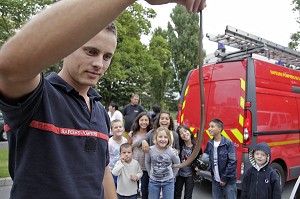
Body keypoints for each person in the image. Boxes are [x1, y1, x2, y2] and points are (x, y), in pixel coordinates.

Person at [0, 1, 206, 198]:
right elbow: (9, 68)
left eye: (107, 56)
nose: (99, 63)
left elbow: (102, 171)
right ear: (66, 47)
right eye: (91, 51)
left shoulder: (99, 111)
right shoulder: (37, 97)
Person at [202, 118, 237, 199]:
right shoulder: (210, 143)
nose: (209, 128)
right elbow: (206, 158)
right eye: (209, 126)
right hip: (215, 180)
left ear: (219, 129)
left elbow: (232, 162)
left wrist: (224, 179)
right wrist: (202, 166)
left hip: (228, 180)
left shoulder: (228, 143)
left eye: (212, 126)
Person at [145, 127, 180, 199]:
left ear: (169, 139)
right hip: (154, 181)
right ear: (156, 138)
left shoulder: (171, 151)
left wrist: (173, 176)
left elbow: (177, 164)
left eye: (165, 137)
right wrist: (150, 173)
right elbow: (147, 162)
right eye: (160, 137)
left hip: (168, 182)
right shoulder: (150, 150)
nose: (163, 139)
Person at [128, 112, 153, 199]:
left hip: (146, 166)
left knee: (145, 190)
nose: (144, 122)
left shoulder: (151, 134)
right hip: (134, 165)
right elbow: (128, 147)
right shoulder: (132, 133)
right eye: (141, 120)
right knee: (133, 189)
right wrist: (134, 145)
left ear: (149, 122)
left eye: (146, 120)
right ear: (138, 121)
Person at [174, 125, 200, 199]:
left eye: (185, 131)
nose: (184, 134)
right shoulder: (180, 145)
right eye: (181, 133)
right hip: (180, 174)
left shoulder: (196, 147)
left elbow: (198, 160)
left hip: (190, 175)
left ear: (190, 132)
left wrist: (197, 167)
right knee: (177, 193)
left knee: (188, 195)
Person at [109, 119, 128, 187]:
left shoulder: (125, 140)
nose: (118, 129)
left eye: (120, 127)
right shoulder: (109, 143)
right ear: (111, 131)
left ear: (123, 129)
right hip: (112, 170)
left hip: (123, 170)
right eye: (116, 127)